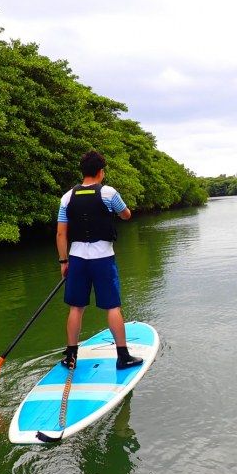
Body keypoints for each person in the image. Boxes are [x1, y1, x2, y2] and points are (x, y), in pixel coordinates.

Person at [56, 151, 143, 371]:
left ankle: (71, 356)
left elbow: (60, 234)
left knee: (76, 307)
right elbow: (126, 215)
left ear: (83, 171)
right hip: (103, 257)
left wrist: (63, 262)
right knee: (112, 306)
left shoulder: (67, 197)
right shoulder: (108, 192)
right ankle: (123, 356)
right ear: (100, 172)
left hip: (76, 258)